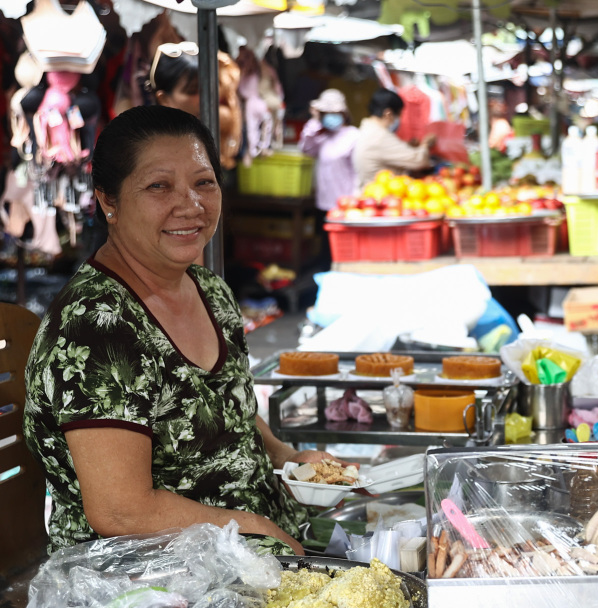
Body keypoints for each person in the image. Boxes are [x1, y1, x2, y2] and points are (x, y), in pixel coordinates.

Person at [23, 105, 344, 554]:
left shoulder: (209, 290)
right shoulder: (97, 325)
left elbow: (222, 406)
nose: (191, 205)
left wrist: (287, 459)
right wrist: (254, 527)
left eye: (203, 183)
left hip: (248, 546)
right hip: (150, 580)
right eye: (159, 186)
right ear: (108, 201)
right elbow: (122, 511)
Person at [147, 42, 241, 171]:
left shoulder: (204, 137)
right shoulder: (148, 149)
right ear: (164, 99)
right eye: (192, 91)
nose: (203, 99)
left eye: (206, 90)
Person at [354, 88, 435, 188]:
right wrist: (425, 144)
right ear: (388, 114)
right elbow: (418, 160)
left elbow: (389, 151)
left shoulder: (367, 129)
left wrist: (408, 145)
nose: (399, 120)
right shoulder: (379, 136)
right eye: (399, 115)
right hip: (380, 196)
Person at [300, 88, 360, 214]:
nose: (329, 116)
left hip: (345, 204)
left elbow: (358, 171)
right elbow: (306, 149)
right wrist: (315, 120)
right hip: (323, 203)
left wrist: (355, 198)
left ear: (343, 113)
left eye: (333, 112)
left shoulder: (354, 135)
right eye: (325, 112)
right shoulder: (320, 135)